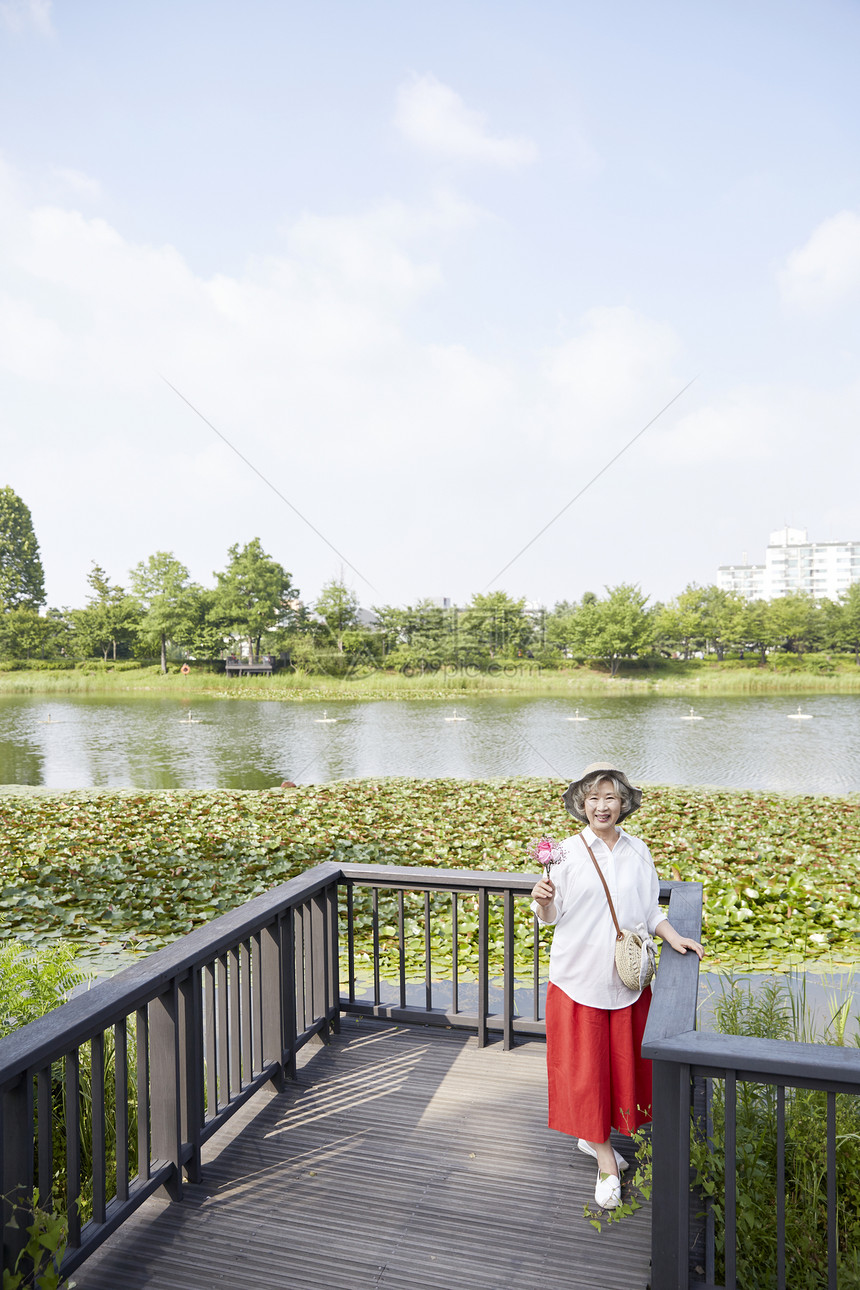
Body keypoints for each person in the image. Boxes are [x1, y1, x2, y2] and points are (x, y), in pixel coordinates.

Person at [530, 760, 703, 1210]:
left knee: (619, 1069)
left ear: (623, 803)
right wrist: (541, 901)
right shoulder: (565, 853)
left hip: (624, 982)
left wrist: (675, 938)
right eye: (593, 798)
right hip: (577, 979)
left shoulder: (637, 850)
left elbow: (649, 914)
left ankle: (594, 1138)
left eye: (610, 797)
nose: (601, 806)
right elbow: (552, 917)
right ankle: (606, 1159)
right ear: (581, 804)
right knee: (585, 1073)